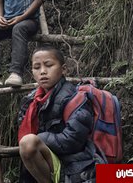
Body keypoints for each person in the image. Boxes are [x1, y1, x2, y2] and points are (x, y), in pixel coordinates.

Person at [16, 46, 98, 183]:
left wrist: (39, 139)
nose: (42, 71)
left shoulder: (74, 98)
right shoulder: (31, 101)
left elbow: (74, 141)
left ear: (64, 69)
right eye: (37, 67)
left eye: (48, 65)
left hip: (73, 167)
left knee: (28, 143)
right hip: (49, 165)